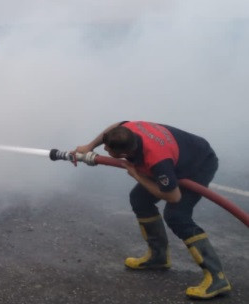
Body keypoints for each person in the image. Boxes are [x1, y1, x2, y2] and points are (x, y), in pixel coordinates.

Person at [74, 121, 230, 300]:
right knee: (140, 199)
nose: (106, 152)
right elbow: (113, 128)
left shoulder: (157, 160)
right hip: (176, 156)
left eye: (109, 150)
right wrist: (89, 146)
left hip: (198, 163)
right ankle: (158, 257)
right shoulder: (127, 129)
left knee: (177, 216)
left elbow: (174, 197)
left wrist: (137, 175)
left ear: (124, 153)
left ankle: (218, 278)